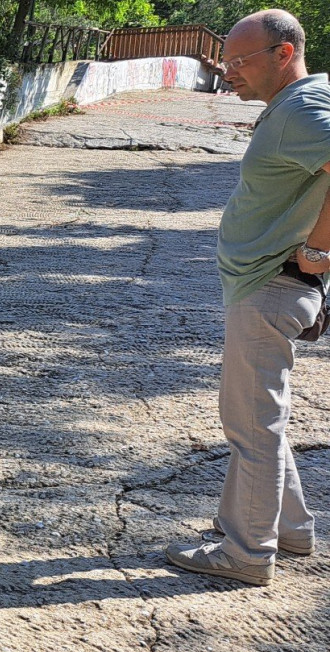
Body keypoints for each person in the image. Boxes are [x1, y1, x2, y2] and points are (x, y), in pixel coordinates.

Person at [165, 9, 329, 587]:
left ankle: (247, 551)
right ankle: (291, 529)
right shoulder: (304, 102)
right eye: (225, 60)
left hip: (272, 286)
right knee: (263, 416)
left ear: (283, 54)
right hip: (278, 285)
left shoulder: (303, 108)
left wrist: (318, 254)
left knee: (250, 425)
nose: (227, 71)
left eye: (238, 61)